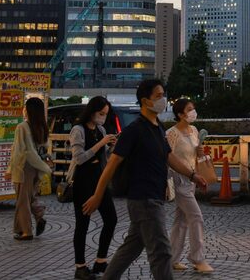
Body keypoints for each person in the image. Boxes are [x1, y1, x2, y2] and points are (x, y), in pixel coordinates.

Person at [83, 79, 208, 280]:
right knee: (162, 252)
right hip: (144, 199)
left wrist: (193, 175)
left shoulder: (157, 127)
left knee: (131, 248)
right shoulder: (134, 130)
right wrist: (98, 195)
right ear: (145, 101)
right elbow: (112, 164)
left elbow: (169, 157)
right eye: (158, 96)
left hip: (153, 197)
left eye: (163, 95)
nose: (163, 99)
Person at [70, 96, 118, 279]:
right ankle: (80, 266)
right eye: (100, 113)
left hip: (99, 180)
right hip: (83, 181)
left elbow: (104, 156)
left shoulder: (101, 129)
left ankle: (101, 260)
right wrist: (102, 143)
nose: (103, 117)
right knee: (82, 223)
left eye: (105, 114)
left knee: (111, 219)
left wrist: (111, 147)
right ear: (91, 111)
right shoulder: (78, 130)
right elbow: (79, 158)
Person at [165, 98, 213, 274]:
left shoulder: (193, 130)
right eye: (189, 109)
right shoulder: (171, 133)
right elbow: (167, 157)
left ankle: (172, 259)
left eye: (193, 108)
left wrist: (199, 152)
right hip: (178, 179)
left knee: (182, 220)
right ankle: (198, 259)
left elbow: (193, 153)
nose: (193, 112)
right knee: (196, 217)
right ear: (180, 114)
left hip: (191, 179)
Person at [8, 97, 53, 241]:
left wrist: (10, 169)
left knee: (22, 200)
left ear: (28, 110)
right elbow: (44, 148)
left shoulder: (22, 127)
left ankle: (26, 231)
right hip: (36, 168)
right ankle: (37, 218)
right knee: (30, 197)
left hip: (23, 167)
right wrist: (44, 166)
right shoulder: (41, 127)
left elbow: (19, 151)